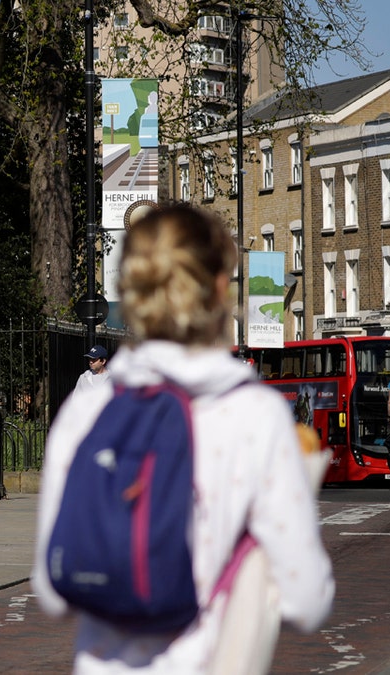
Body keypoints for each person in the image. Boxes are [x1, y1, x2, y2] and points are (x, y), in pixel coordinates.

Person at [31, 202, 334, 673]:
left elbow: (53, 591)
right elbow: (307, 599)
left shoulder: (88, 409)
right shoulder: (254, 415)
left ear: (130, 290)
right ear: (218, 287)